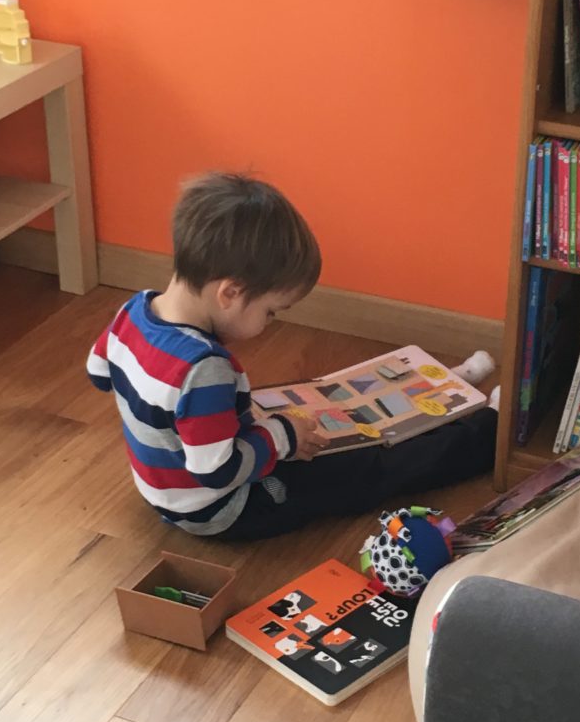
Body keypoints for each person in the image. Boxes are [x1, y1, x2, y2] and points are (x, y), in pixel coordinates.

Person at [87, 172, 499, 540]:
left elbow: (99, 371)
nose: (270, 323)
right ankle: (488, 432)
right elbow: (217, 470)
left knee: (319, 406)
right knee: (368, 469)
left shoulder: (135, 310)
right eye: (271, 312)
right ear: (230, 293)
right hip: (224, 508)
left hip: (165, 491)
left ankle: (446, 385)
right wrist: (282, 436)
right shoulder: (204, 367)